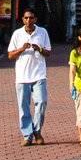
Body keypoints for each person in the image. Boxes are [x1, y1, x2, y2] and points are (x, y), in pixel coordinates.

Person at [7, 9, 52, 146]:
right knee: (23, 106)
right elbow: (10, 55)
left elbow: (48, 52)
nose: (28, 20)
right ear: (22, 19)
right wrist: (21, 49)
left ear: (35, 19)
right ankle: (27, 135)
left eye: (31, 18)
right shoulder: (17, 34)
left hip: (39, 74)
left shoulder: (42, 32)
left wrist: (39, 49)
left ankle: (37, 131)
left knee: (42, 102)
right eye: (26, 18)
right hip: (22, 76)